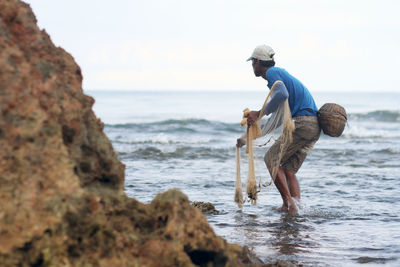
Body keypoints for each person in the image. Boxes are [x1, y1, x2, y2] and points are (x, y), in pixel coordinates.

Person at [237, 45, 320, 213]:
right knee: (288, 169)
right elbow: (279, 118)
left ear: (258, 62)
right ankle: (296, 206)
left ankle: (288, 204)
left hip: (302, 123)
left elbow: (282, 95)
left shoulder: (273, 73)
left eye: (253, 62)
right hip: (314, 126)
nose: (252, 66)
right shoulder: (282, 77)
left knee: (271, 159)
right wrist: (247, 138)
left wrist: (259, 113)